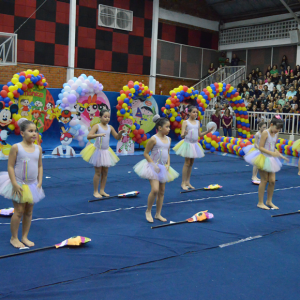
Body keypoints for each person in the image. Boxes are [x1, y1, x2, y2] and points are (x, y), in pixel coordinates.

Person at [0, 118, 44, 248]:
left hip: (32, 185)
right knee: (18, 211)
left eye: (35, 131)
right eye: (30, 131)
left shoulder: (38, 148)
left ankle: (24, 236)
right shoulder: (16, 147)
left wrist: (40, 181)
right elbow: (10, 166)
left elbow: (40, 166)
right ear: (22, 133)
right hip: (18, 184)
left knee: (29, 212)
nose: (34, 134)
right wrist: (14, 183)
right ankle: (14, 238)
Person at [133, 115, 179, 222]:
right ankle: (148, 211)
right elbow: (146, 153)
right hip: (152, 167)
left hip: (163, 167)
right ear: (159, 128)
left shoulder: (169, 139)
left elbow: (167, 153)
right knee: (155, 190)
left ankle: (158, 213)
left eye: (169, 127)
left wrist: (168, 164)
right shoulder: (153, 139)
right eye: (167, 127)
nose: (169, 129)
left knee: (162, 192)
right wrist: (153, 165)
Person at [80, 110, 124, 198]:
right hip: (98, 151)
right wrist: (98, 135)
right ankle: (95, 191)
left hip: (106, 151)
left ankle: (102, 190)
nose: (107, 118)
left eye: (108, 117)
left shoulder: (110, 127)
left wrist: (120, 134)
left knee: (105, 172)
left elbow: (117, 137)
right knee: (98, 172)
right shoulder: (97, 126)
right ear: (100, 117)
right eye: (105, 116)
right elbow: (89, 136)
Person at [173, 105, 212, 190]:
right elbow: (182, 135)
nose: (195, 114)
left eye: (196, 112)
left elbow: (200, 134)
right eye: (193, 112)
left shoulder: (198, 122)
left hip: (195, 144)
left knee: (191, 164)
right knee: (187, 163)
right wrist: (185, 134)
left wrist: (207, 131)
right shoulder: (185, 122)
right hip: (187, 144)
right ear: (189, 112)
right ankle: (183, 183)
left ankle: (188, 182)